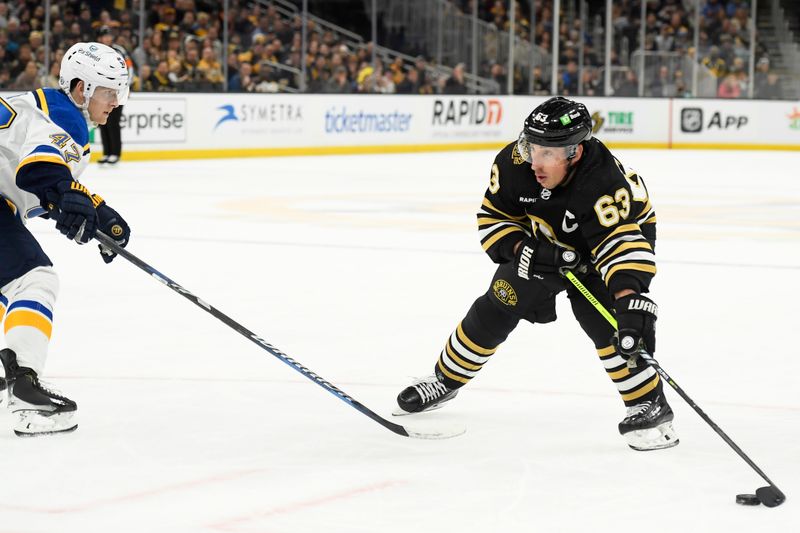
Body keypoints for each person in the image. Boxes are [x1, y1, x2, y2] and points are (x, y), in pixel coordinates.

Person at [396, 97, 676, 452]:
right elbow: (493, 217)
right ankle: (444, 380)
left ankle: (649, 402)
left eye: (547, 154)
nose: (534, 162)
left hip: (606, 245)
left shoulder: (602, 181)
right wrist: (522, 249)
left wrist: (628, 298)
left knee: (608, 323)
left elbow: (620, 242)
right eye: (531, 147)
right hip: (545, 243)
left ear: (574, 153)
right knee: (496, 306)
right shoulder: (514, 163)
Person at [0, 42, 131, 436]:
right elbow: (39, 172)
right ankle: (24, 389)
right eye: (110, 92)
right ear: (81, 89)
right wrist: (64, 196)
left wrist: (98, 211)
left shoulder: (44, 108)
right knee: (34, 280)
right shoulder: (66, 117)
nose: (115, 102)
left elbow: (50, 178)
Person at [97, 27, 133, 165]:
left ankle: (115, 153)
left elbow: (130, 68)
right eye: (104, 36)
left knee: (113, 122)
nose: (107, 38)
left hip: (117, 91)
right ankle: (107, 152)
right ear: (100, 38)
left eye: (109, 36)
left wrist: (125, 88)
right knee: (103, 121)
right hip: (101, 92)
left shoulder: (119, 51)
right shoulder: (97, 51)